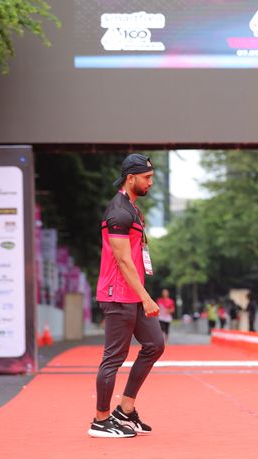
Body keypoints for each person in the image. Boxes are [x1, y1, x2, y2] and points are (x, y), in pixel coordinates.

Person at [89, 154, 164, 438]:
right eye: (147, 177)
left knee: (154, 345)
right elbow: (122, 260)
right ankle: (100, 420)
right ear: (130, 178)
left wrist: (142, 295)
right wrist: (146, 297)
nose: (151, 182)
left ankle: (125, 409)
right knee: (113, 358)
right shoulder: (119, 212)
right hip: (117, 295)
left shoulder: (131, 209)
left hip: (132, 294)